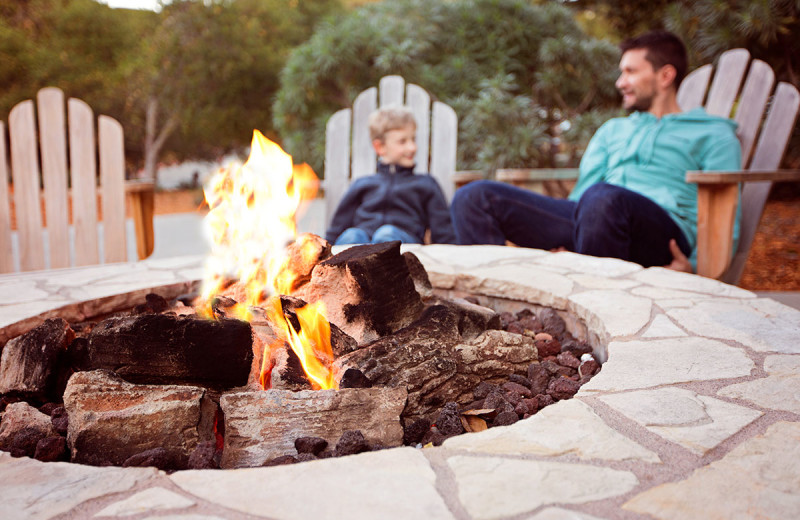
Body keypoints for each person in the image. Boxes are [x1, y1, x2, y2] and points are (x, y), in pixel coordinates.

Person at [450, 31, 741, 272]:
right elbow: (583, 195)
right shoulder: (612, 130)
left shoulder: (712, 133)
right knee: (473, 197)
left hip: (662, 235)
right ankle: (501, 311)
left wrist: (694, 266)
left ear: (665, 76)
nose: (620, 82)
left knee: (603, 199)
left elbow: (728, 213)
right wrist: (572, 232)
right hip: (595, 216)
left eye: (630, 72)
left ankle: (594, 303)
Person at [325, 105, 456, 245]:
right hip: (361, 249)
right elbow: (336, 229)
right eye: (402, 141)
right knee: (352, 235)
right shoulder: (362, 184)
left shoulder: (426, 184)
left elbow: (444, 233)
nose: (412, 147)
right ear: (380, 147)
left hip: (403, 246)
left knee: (386, 234)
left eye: (413, 139)